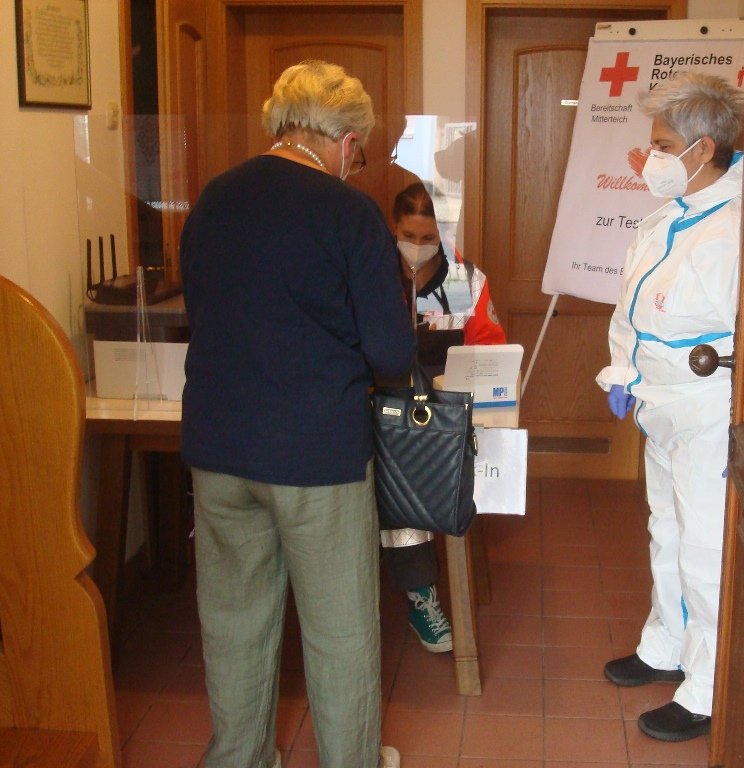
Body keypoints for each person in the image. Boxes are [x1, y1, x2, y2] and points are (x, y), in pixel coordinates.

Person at [179, 60, 414, 768]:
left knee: (232, 622)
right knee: (339, 629)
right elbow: (390, 350)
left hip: (219, 449)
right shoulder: (348, 213)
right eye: (360, 152)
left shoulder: (212, 200)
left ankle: (239, 759)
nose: (357, 164)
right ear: (344, 141)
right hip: (317, 454)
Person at [595, 71, 744, 742]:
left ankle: (708, 687)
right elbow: (633, 305)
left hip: (707, 409)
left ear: (703, 147)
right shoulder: (670, 217)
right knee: (666, 530)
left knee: (704, 547)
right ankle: (665, 646)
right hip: (657, 403)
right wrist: (621, 371)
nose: (649, 158)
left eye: (661, 144)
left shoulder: (743, 227)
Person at [380, 181, 506, 653]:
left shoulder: (467, 281)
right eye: (408, 236)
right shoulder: (371, 273)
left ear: (444, 235)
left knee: (410, 466)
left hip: (447, 414)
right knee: (398, 463)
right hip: (385, 412)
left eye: (428, 238)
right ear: (394, 229)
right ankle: (421, 590)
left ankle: (420, 590)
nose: (416, 248)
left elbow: (490, 352)